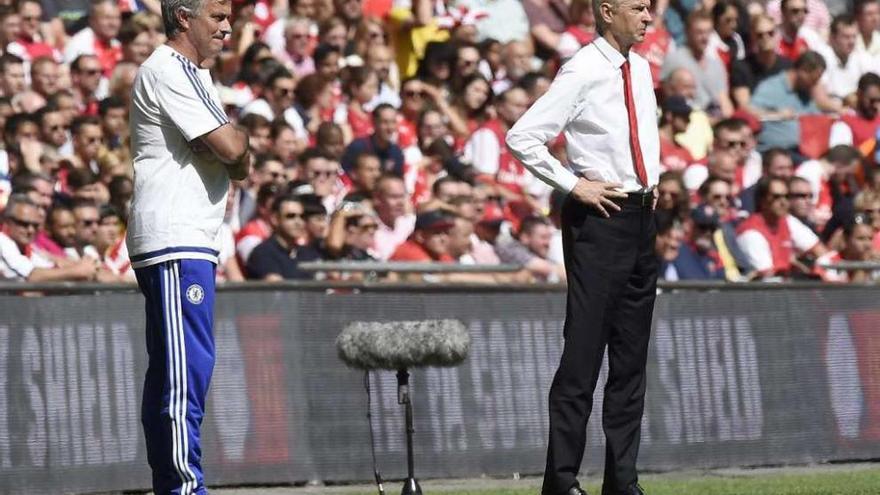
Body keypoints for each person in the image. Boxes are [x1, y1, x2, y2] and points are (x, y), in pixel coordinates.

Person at [505, 0, 658, 492]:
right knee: (584, 353)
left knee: (631, 359)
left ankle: (622, 480)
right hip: (600, 216)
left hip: (641, 215)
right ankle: (562, 479)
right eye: (638, 7)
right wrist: (574, 185)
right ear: (607, 11)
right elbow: (523, 137)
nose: (649, 16)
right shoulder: (583, 68)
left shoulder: (640, 67)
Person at [126, 1, 252, 493]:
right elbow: (233, 151)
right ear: (183, 17)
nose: (227, 26)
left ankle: (171, 484)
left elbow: (237, 154)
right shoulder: (167, 68)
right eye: (217, 16)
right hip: (175, 237)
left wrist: (232, 149)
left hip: (187, 237)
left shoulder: (196, 74)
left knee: (172, 370)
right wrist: (231, 149)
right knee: (186, 372)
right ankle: (183, 487)